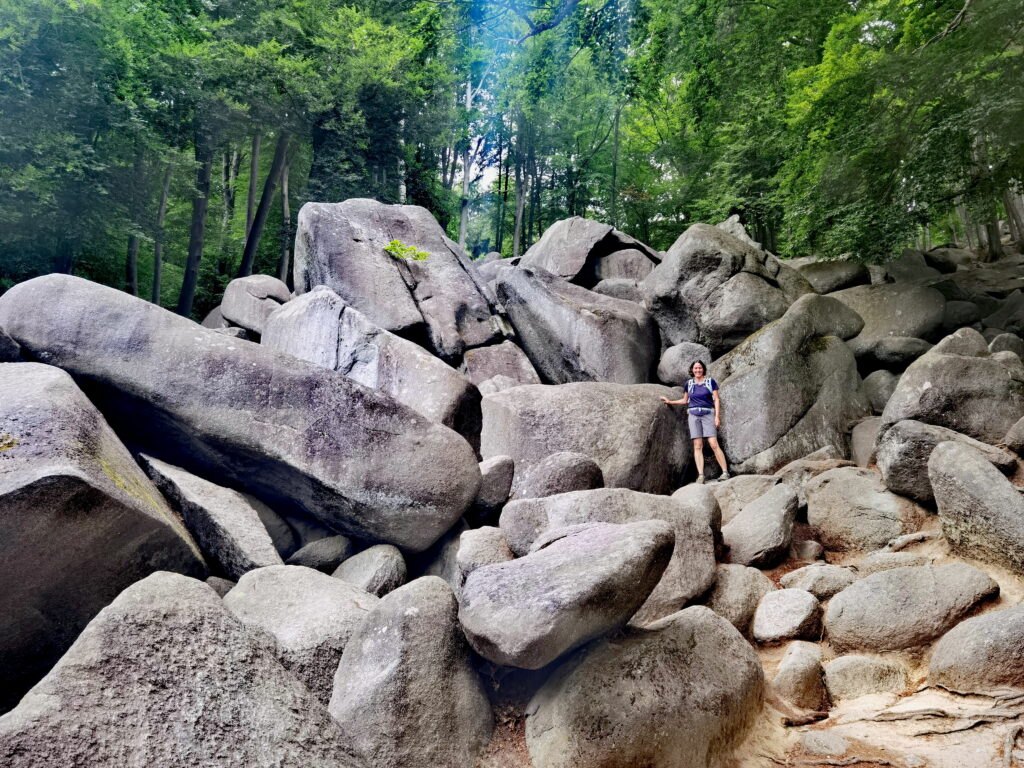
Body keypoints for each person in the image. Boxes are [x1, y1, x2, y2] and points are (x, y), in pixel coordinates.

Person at [660, 360, 730, 484]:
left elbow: (716, 400)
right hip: (693, 415)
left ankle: (725, 472)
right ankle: (701, 475)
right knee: (697, 445)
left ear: (703, 369)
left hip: (708, 414)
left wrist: (717, 417)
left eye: (700, 368)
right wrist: (670, 402)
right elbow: (685, 400)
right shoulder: (689, 384)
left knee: (713, 443)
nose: (698, 370)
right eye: (695, 368)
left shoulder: (710, 382)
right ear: (692, 370)